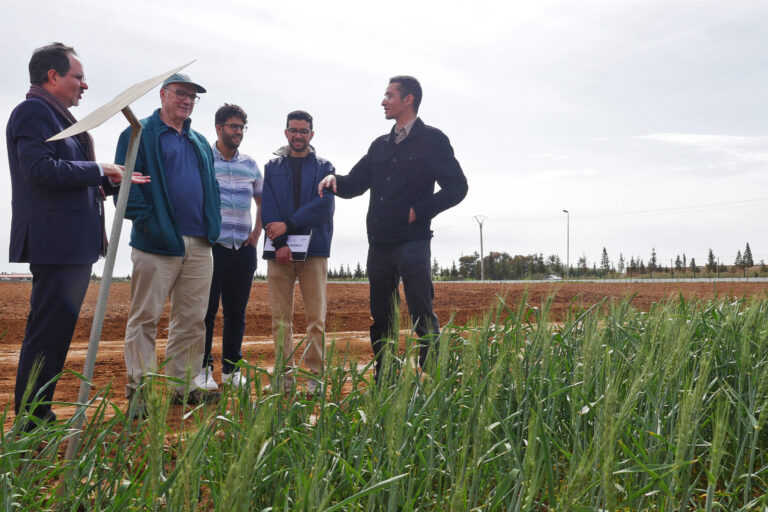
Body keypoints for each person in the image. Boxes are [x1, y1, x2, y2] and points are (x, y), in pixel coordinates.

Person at [7, 42, 147, 427]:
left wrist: (108, 181)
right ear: (53, 77)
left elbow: (62, 177)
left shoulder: (58, 118)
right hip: (57, 242)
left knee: (54, 333)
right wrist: (96, 169)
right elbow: (39, 170)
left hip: (70, 242)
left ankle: (39, 413)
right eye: (78, 77)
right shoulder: (33, 112)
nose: (84, 85)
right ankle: (31, 422)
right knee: (46, 333)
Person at [318, 75, 468, 383]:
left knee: (421, 312)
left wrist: (420, 210)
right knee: (382, 316)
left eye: (389, 95)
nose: (383, 101)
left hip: (413, 241)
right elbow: (355, 183)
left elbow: (457, 187)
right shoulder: (380, 146)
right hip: (380, 243)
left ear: (408, 99)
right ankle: (385, 377)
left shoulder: (433, 140)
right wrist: (334, 180)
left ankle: (432, 376)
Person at [115, 72, 221, 405]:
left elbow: (211, 187)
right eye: (181, 93)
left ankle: (185, 384)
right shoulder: (138, 133)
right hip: (156, 242)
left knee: (192, 319)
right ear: (163, 94)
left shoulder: (200, 141)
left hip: (200, 244)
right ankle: (140, 392)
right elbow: (125, 184)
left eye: (192, 96)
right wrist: (148, 222)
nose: (187, 100)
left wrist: (212, 224)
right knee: (145, 317)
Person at [262, 110, 334, 394]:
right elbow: (267, 207)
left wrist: (289, 225)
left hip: (313, 252)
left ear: (311, 135)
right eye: (293, 130)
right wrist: (280, 244)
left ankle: (315, 377)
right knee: (281, 319)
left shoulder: (325, 167)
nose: (298, 135)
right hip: (279, 254)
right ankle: (284, 378)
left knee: (316, 318)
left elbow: (324, 207)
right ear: (286, 133)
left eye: (304, 131)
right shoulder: (273, 167)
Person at [199, 104, 262, 390]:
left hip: (243, 249)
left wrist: (257, 231)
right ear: (219, 128)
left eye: (241, 127)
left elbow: (262, 199)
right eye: (233, 126)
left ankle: (232, 371)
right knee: (207, 311)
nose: (238, 132)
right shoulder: (204, 159)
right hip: (213, 247)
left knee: (236, 311)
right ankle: (202, 370)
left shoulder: (249, 164)